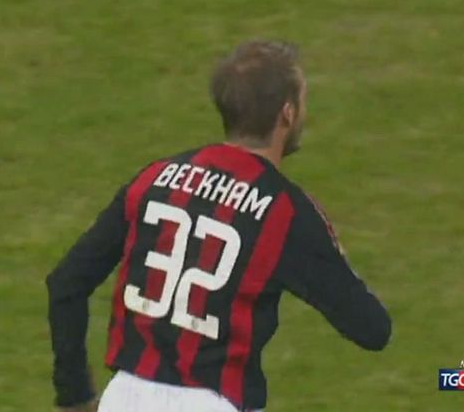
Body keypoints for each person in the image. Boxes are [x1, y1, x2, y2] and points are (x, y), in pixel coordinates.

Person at [46, 40, 392, 412]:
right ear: (287, 114)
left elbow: (66, 282)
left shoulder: (154, 179)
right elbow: (372, 329)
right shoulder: (284, 212)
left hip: (125, 398)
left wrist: (75, 394)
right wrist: (335, 257)